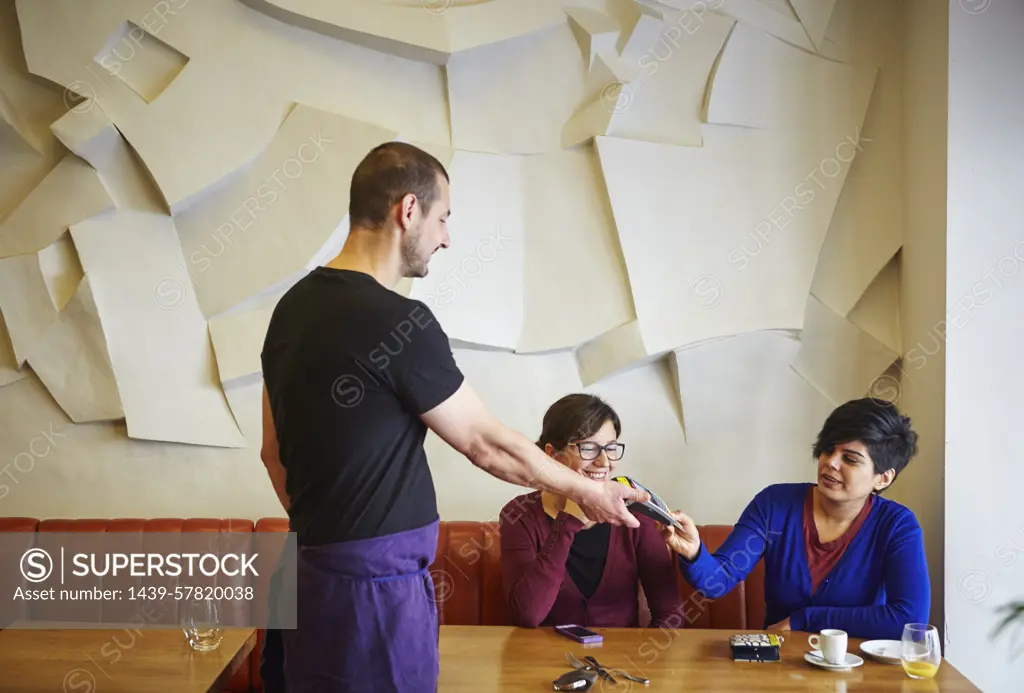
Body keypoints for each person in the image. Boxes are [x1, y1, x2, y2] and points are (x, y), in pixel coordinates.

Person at [257, 142, 649, 693]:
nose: (446, 237)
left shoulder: (289, 310)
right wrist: (588, 493)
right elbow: (486, 443)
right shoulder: (400, 321)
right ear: (408, 210)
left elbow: (271, 454)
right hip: (376, 594)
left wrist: (329, 538)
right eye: (443, 218)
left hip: (306, 576)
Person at [660, 398, 930, 641]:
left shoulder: (897, 525)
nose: (831, 463)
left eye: (850, 458)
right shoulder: (775, 504)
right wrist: (694, 552)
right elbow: (717, 581)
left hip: (857, 669)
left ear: (883, 477)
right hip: (780, 661)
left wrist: (805, 620)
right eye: (828, 449)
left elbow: (909, 620)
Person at [499, 394, 684, 629]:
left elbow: (670, 614)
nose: (604, 462)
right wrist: (570, 520)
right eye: (588, 448)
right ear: (551, 453)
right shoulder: (519, 515)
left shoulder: (636, 514)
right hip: (541, 662)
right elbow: (527, 615)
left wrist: (642, 663)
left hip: (621, 663)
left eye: (611, 448)